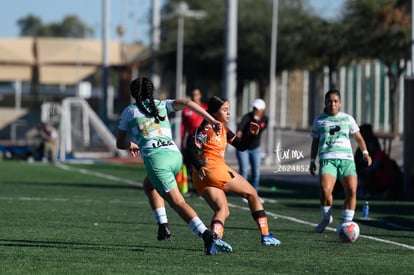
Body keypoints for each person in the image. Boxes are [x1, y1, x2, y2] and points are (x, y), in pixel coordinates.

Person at [116, 77, 232, 255]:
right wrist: (212, 120)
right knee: (149, 185)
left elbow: (119, 143)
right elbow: (188, 103)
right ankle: (163, 225)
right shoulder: (162, 104)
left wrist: (130, 144)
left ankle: (206, 235)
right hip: (175, 156)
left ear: (133, 94)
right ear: (151, 91)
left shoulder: (129, 111)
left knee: (178, 202)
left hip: (158, 161)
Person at [187, 95, 281, 247]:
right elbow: (189, 146)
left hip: (200, 177)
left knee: (222, 209)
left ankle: (214, 240)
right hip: (215, 170)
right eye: (225, 110)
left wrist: (251, 136)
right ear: (214, 112)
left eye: (229, 109)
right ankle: (265, 235)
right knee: (252, 194)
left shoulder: (220, 128)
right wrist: (199, 166)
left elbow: (242, 145)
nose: (229, 113)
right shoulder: (208, 128)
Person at [309, 89, 372, 233]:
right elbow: (315, 141)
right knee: (325, 190)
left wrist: (365, 153)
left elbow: (359, 138)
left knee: (351, 191)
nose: (332, 104)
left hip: (347, 160)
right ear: (325, 102)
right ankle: (326, 218)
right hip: (327, 159)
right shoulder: (319, 120)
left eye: (335, 101)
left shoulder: (348, 119)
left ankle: (347, 224)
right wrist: (312, 160)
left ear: (340, 103)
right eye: (330, 101)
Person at [355, 124, 403, 199]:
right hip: (378, 176)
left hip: (384, 179)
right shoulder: (366, 149)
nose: (370, 147)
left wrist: (365, 170)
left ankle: (367, 192)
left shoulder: (379, 155)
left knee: (366, 173)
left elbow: (374, 167)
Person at [236, 98, 268, 201]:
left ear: (262, 109)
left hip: (255, 148)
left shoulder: (264, 119)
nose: (255, 110)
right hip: (243, 148)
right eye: (254, 108)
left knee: (256, 173)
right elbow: (240, 129)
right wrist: (239, 133)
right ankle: (243, 194)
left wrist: (256, 120)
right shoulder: (247, 117)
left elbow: (258, 131)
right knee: (244, 171)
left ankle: (254, 194)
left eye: (257, 108)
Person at [180, 88, 208, 193]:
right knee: (192, 164)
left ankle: (206, 186)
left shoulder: (205, 108)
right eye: (192, 94)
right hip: (191, 139)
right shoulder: (186, 110)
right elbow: (183, 127)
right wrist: (182, 141)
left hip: (204, 138)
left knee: (205, 162)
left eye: (196, 94)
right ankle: (196, 188)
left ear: (200, 95)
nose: (194, 96)